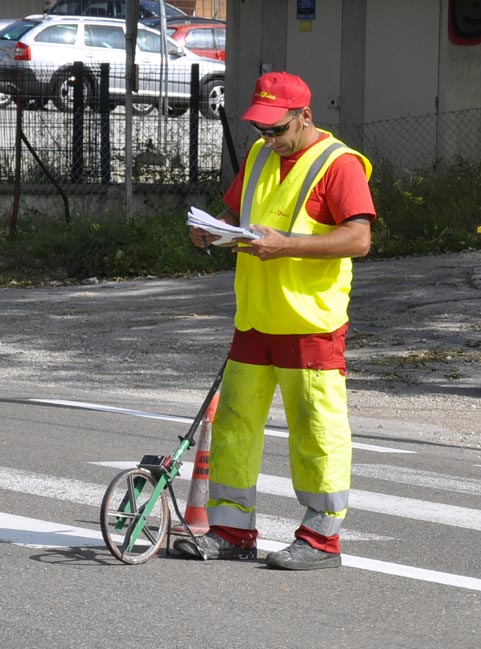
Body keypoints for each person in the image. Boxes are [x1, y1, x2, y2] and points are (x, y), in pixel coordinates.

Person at [174, 71, 376, 570]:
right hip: (255, 319)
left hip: (311, 323)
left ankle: (320, 541)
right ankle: (229, 532)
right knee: (235, 426)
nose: (268, 139)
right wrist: (211, 235)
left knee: (316, 431)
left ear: (304, 117)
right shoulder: (262, 157)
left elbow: (359, 240)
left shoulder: (339, 164)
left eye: (277, 129)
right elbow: (236, 218)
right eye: (261, 129)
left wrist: (287, 246)